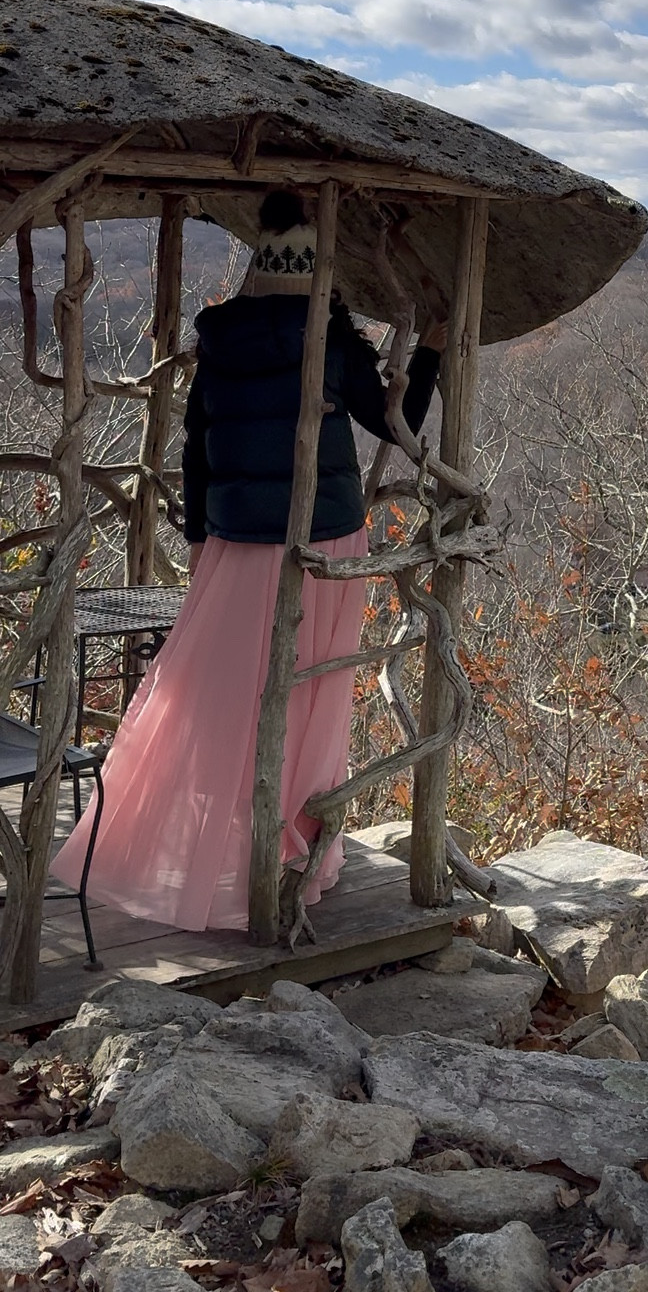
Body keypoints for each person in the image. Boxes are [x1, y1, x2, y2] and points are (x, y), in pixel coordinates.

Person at [50, 191, 443, 931]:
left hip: (230, 540)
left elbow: (197, 449)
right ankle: (287, 849)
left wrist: (201, 538)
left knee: (211, 694)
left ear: (258, 272)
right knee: (306, 699)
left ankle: (194, 849)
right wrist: (431, 352)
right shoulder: (326, 340)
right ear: (318, 278)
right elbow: (400, 423)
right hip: (321, 545)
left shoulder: (221, 342)